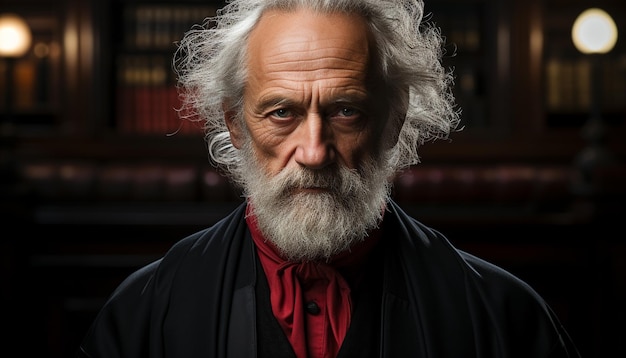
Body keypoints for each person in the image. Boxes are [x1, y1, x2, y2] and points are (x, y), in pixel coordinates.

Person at [78, 0, 581, 357]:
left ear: (393, 118)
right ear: (235, 124)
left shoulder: (503, 316)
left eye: (345, 110)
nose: (314, 152)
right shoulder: (145, 311)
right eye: (282, 112)